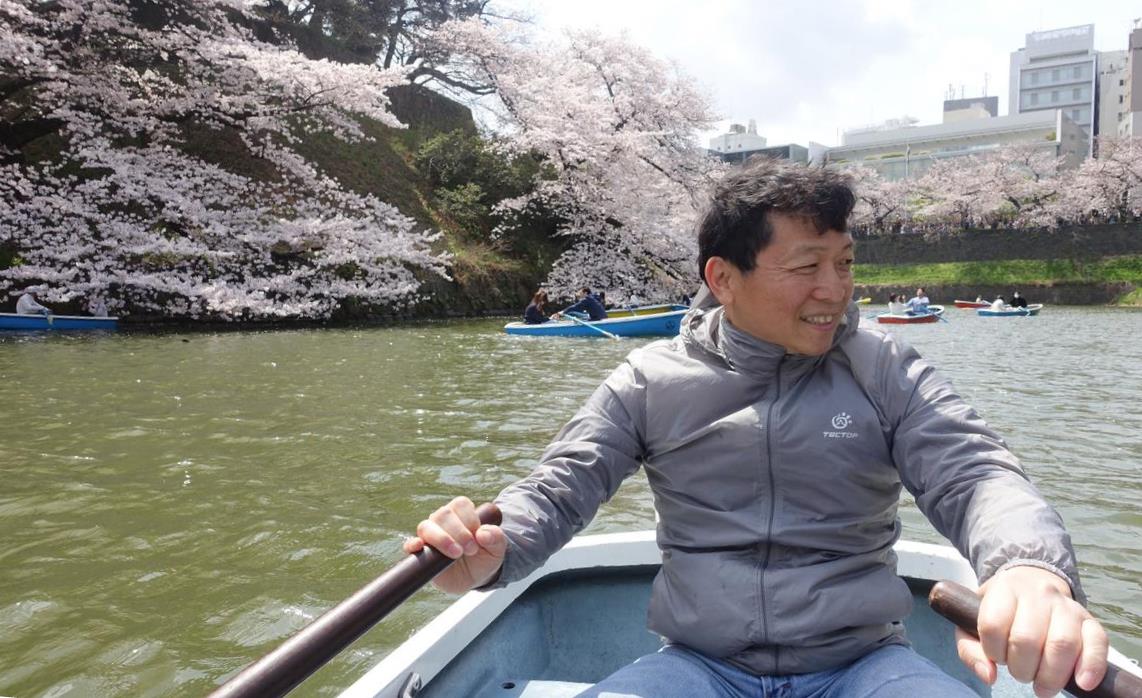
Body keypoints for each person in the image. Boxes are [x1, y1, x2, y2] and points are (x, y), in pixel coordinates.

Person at [405, 161, 1107, 698]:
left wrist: (1029, 568)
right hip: (698, 667)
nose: (835, 288)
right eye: (807, 267)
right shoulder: (649, 380)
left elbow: (975, 472)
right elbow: (560, 488)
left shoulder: (883, 367)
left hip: (864, 664)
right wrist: (493, 549)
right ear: (724, 277)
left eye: (846, 263)